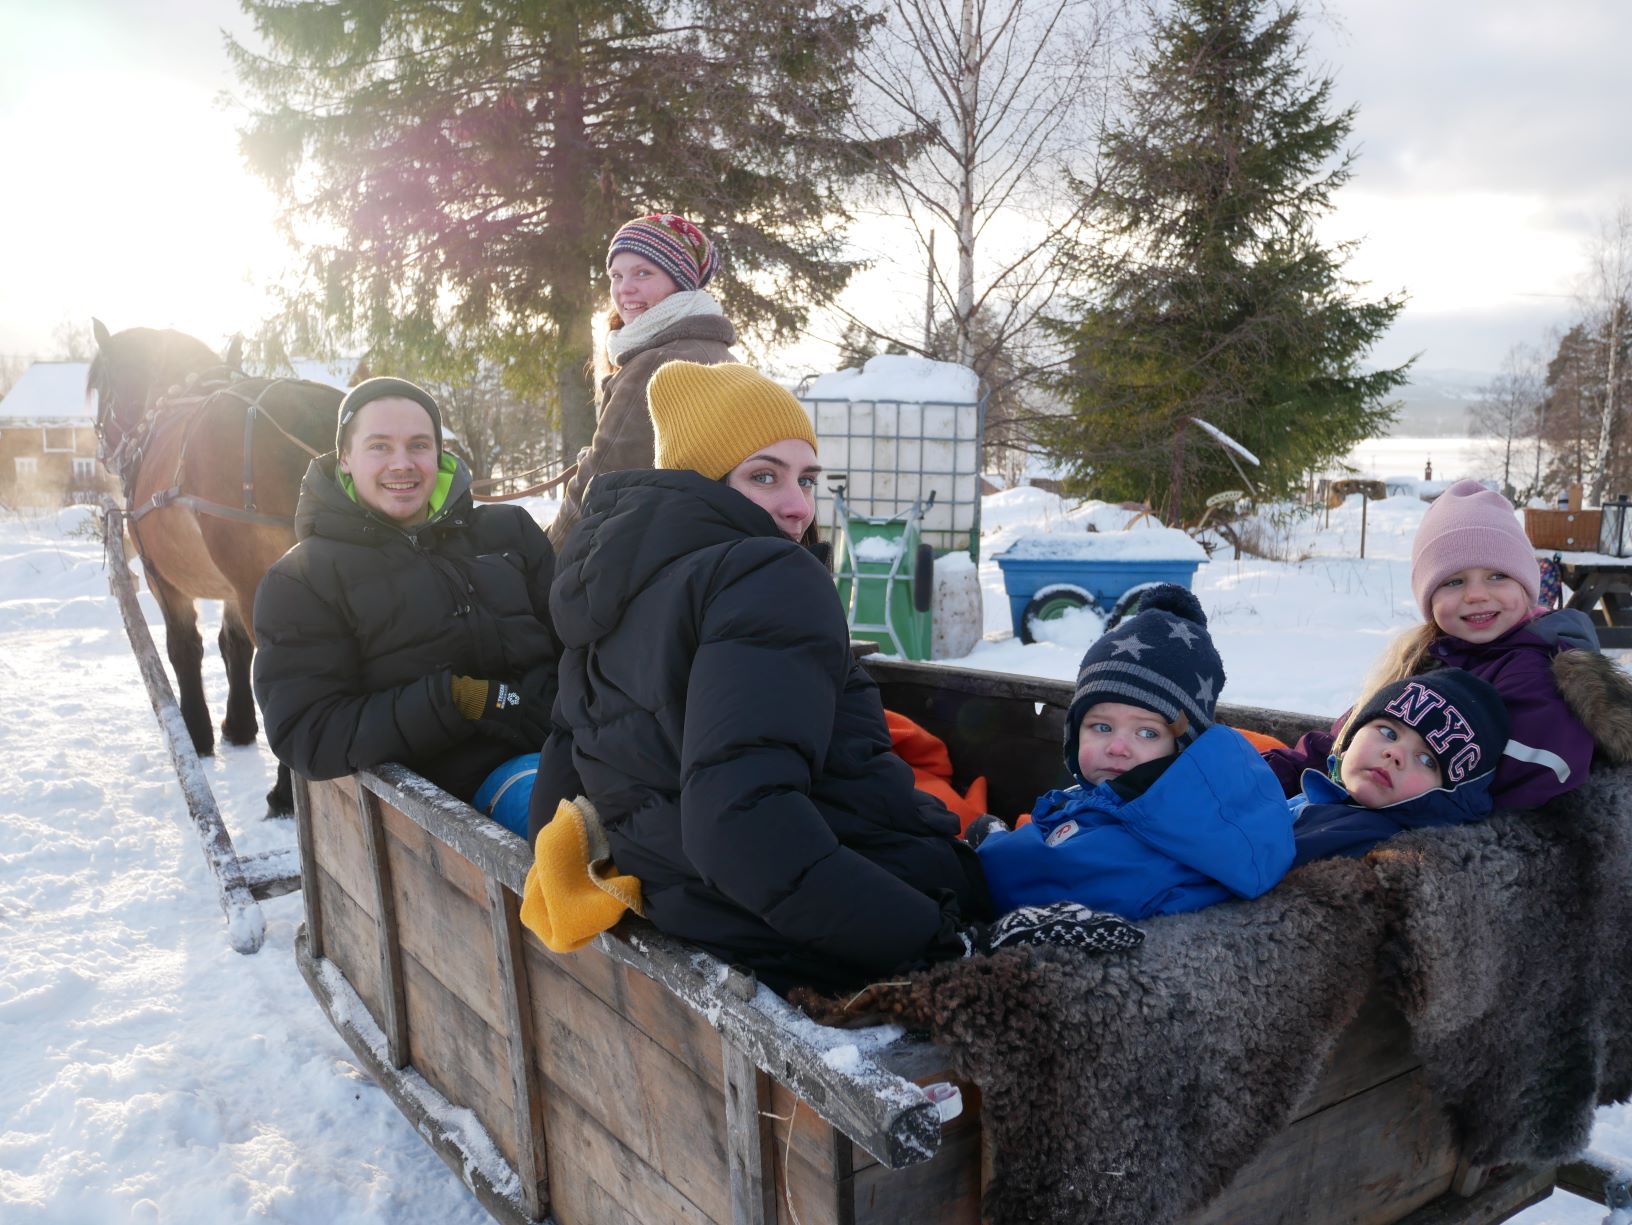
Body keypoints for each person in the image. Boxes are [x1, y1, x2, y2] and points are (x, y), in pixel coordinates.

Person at [530, 360, 1139, 992]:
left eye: (808, 479)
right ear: (701, 482)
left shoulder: (613, 589)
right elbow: (740, 825)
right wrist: (941, 941)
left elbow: (561, 777)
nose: (797, 507)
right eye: (764, 477)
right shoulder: (765, 574)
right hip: (842, 925)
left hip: (703, 911)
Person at [252, 377, 559, 836]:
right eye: (379, 446)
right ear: (346, 460)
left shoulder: (508, 531)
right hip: (463, 790)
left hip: (576, 747)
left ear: (438, 453)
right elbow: (307, 730)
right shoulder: (306, 579)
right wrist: (458, 700)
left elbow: (574, 641)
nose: (403, 464)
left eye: (419, 445)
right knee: (587, 833)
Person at [1264, 479, 1600, 810]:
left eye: (1497, 576)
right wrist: (1276, 772)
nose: (1476, 594)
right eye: (1454, 581)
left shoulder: (1536, 674)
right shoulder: (1423, 659)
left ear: (1526, 587)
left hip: (1443, 844)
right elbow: (1346, 742)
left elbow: (1517, 799)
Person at [975, 586, 1295, 920]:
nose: (1116, 748)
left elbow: (1028, 880)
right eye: (1101, 727)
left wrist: (986, 849)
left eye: (1146, 732)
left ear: (1183, 748)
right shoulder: (1146, 801)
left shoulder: (1149, 834)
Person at [547, 213, 737, 549]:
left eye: (643, 273)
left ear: (681, 281)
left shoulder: (657, 362)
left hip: (646, 554)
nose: (624, 288)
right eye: (616, 275)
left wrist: (546, 559)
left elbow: (601, 482)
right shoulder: (715, 353)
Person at [1287, 668, 1510, 867]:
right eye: (1388, 733)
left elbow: (1262, 861)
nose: (1395, 754)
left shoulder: (1369, 836)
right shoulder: (1321, 797)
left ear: (1443, 798)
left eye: (1426, 760)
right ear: (1350, 740)